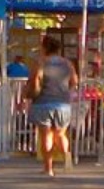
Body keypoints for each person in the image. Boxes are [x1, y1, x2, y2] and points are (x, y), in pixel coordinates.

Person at [27, 34, 78, 177]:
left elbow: (34, 80)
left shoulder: (41, 62)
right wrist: (66, 92)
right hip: (63, 104)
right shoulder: (68, 63)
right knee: (61, 134)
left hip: (43, 102)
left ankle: (48, 168)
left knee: (46, 135)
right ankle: (67, 159)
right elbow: (74, 81)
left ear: (44, 48)